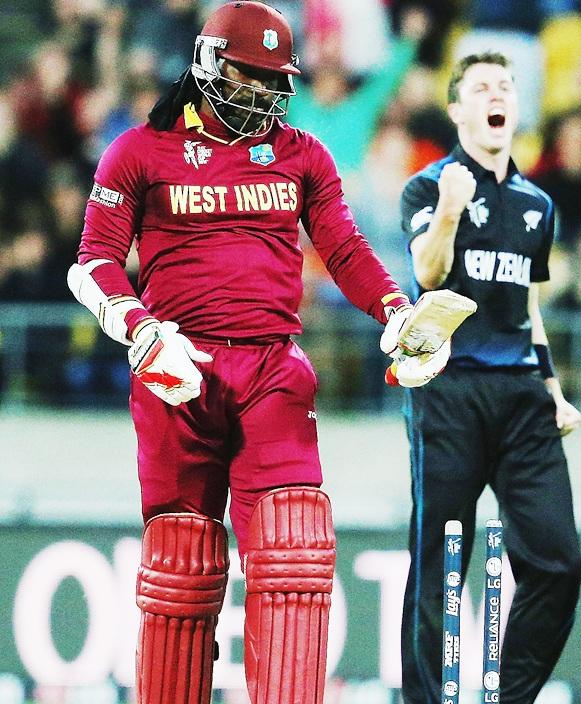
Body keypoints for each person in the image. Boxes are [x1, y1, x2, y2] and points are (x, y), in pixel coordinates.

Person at [66, 3, 447, 703]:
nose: (262, 96)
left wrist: (395, 311)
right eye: (248, 78)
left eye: (274, 81)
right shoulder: (140, 150)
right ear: (209, 65)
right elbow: (92, 264)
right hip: (176, 370)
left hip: (273, 366)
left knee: (295, 552)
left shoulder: (303, 151)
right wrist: (141, 329)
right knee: (181, 568)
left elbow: (344, 247)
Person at [399, 52, 581, 704]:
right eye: (480, 88)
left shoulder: (537, 204)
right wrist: (451, 211)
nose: (495, 95)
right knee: (440, 566)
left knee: (559, 562)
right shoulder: (429, 187)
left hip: (521, 394)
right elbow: (427, 273)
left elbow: (528, 304)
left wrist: (552, 382)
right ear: (458, 111)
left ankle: (509, 699)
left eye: (504, 86)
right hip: (447, 391)